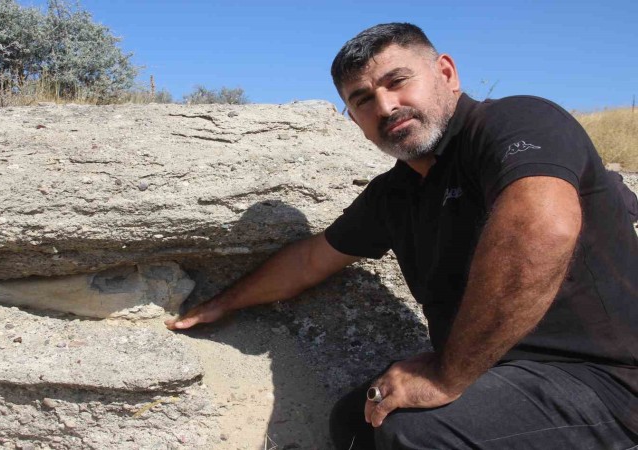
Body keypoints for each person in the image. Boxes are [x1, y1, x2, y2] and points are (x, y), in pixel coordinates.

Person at [165, 23, 638, 449]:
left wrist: (448, 375)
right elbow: (310, 261)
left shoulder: (516, 123)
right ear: (353, 120)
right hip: (502, 375)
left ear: (446, 73)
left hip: (604, 382)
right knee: (357, 421)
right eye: (363, 99)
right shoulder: (396, 193)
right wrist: (221, 303)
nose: (386, 106)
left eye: (397, 81)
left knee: (413, 433)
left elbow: (544, 225)